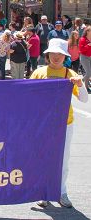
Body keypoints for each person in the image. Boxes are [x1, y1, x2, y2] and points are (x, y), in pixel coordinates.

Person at [31, 38, 88, 208]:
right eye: (53, 53)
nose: (56, 57)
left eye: (60, 54)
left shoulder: (70, 75)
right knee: (42, 157)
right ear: (48, 55)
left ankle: (62, 192)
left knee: (63, 159)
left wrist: (80, 84)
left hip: (65, 123)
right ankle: (43, 192)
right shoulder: (39, 73)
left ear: (65, 57)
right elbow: (27, 96)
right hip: (42, 124)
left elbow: (84, 99)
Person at [79, 26, 91, 92]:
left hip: (90, 57)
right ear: (87, 31)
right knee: (88, 73)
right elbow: (81, 50)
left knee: (89, 73)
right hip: (84, 57)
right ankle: (85, 86)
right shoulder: (82, 39)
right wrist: (88, 45)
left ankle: (83, 84)